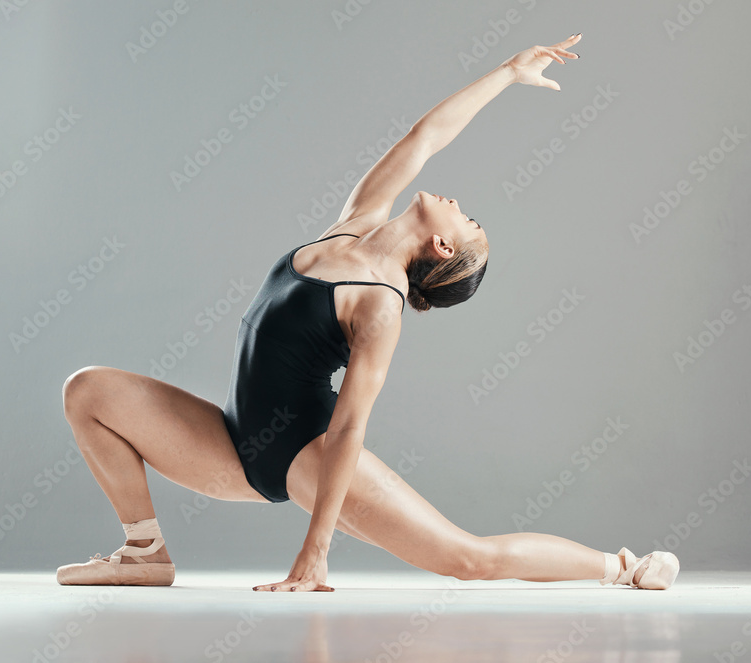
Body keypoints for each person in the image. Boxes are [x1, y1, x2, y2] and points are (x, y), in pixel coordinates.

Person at [55, 33, 680, 592]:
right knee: (89, 391)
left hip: (305, 454)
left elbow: (350, 429)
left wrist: (314, 553)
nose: (462, 204)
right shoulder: (353, 227)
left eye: (469, 222)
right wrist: (508, 74)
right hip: (229, 438)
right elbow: (425, 137)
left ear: (441, 246)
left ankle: (621, 566)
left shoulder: (378, 305)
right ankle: (145, 553)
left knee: (468, 558)